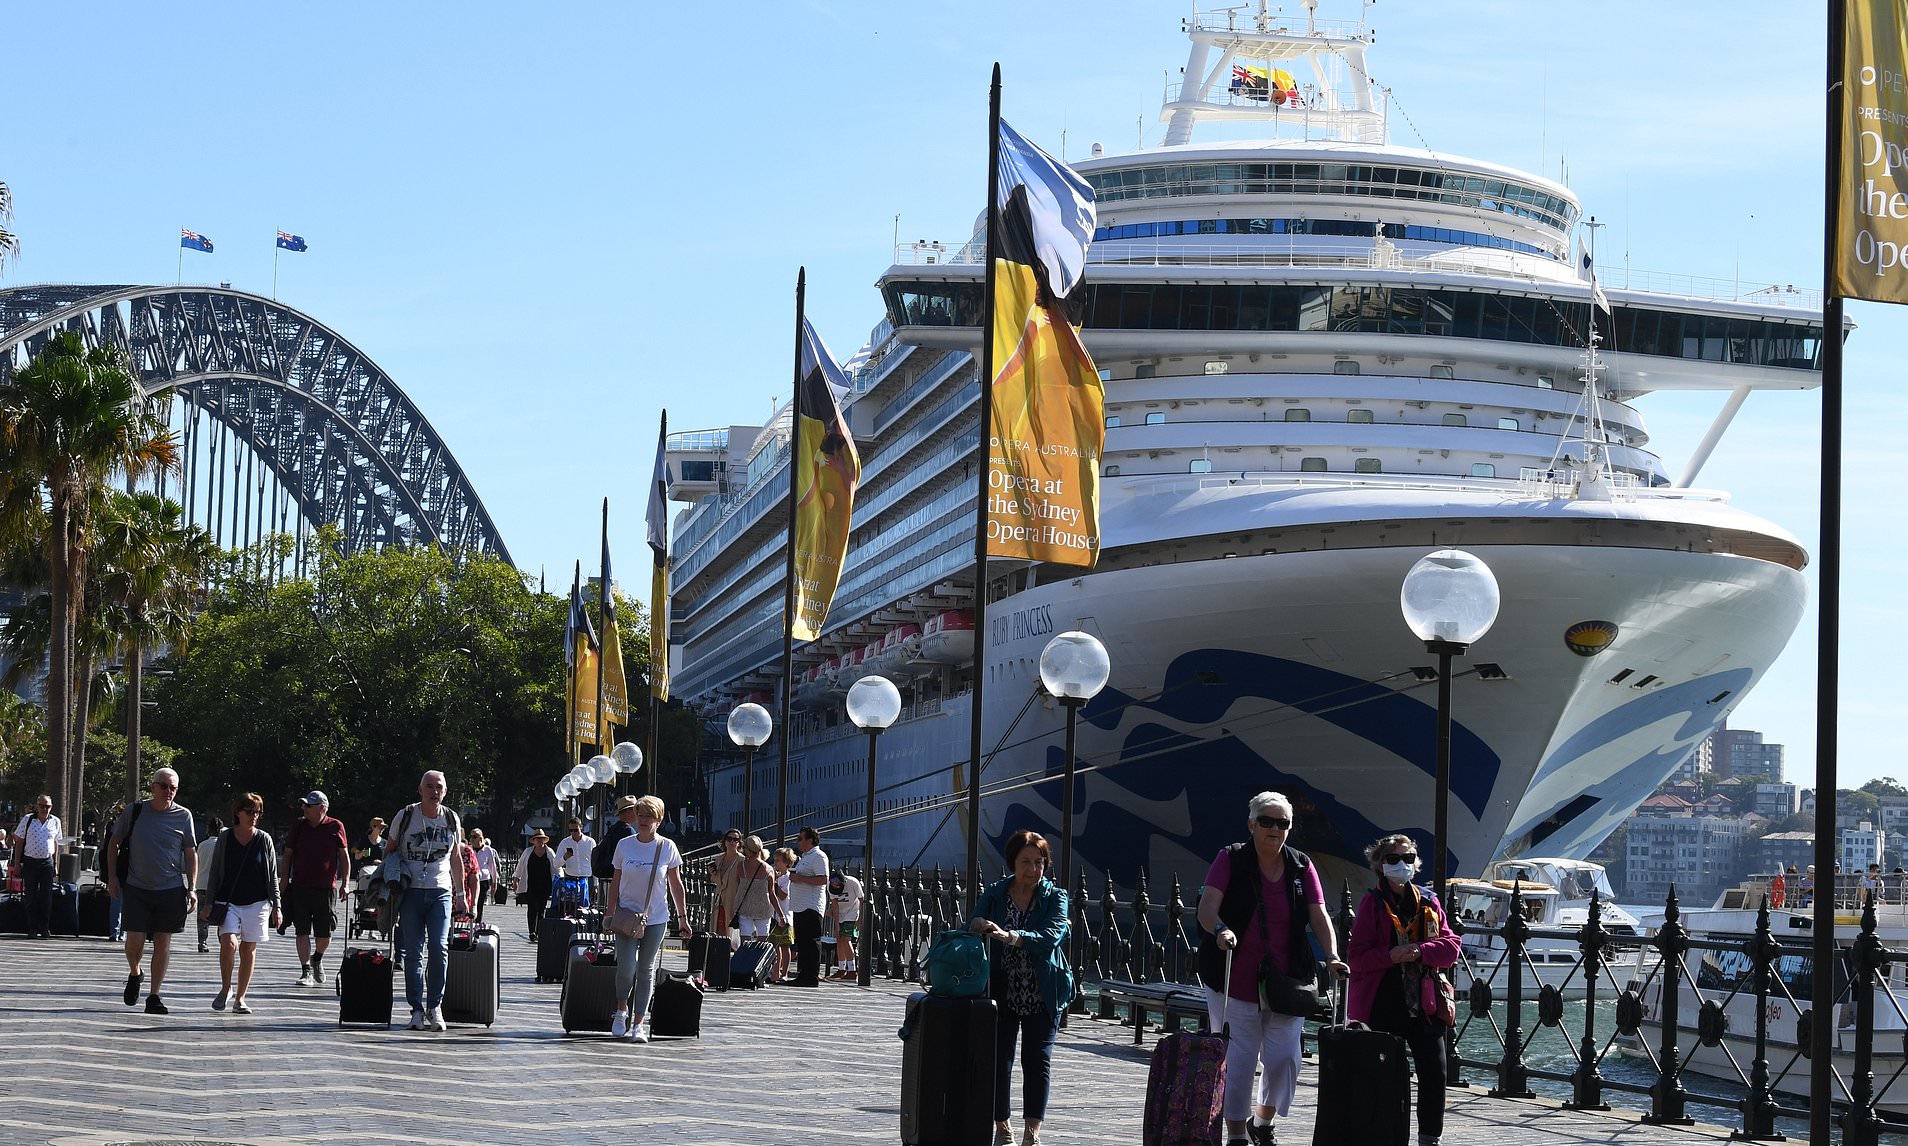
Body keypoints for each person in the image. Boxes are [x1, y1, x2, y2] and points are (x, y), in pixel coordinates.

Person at [1196, 791, 1348, 1146]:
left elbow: (1318, 913)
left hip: (1287, 980)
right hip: (1234, 977)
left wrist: (1332, 955)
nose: (1274, 828)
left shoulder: (1300, 865)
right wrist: (1221, 930)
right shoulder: (1230, 858)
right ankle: (1235, 1134)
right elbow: (1207, 907)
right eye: (1267, 821)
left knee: (1284, 1059)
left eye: (1282, 823)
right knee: (1240, 1059)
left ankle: (1261, 1121)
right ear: (1251, 824)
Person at [1346, 834, 1462, 1146]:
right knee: (1385, 1078)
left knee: (1435, 1071)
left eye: (1408, 858)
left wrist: (1419, 951)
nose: (1402, 864)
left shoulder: (1429, 900)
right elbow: (1356, 959)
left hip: (1425, 1001)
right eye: (1394, 859)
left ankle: (1429, 1139)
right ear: (1381, 865)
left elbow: (1451, 946)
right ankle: (1386, 1136)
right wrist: (1390, 956)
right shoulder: (1372, 903)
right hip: (1383, 1000)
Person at [968, 830, 1072, 1146]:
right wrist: (980, 925)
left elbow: (1052, 935)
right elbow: (972, 922)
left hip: (1044, 990)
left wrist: (1013, 937)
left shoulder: (1056, 897)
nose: (1033, 869)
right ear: (1012, 862)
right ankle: (1003, 1127)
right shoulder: (997, 893)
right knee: (1001, 1060)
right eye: (1025, 861)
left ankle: (1032, 1133)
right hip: (1002, 989)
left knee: (1037, 1060)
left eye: (1039, 862)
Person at [105, 768, 200, 1015]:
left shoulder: (184, 815)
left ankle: (154, 995)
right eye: (164, 786)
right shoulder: (135, 811)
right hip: (136, 887)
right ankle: (135, 972)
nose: (168, 792)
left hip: (169, 889)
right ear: (153, 787)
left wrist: (192, 889)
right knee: (133, 941)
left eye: (173, 788)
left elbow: (190, 853)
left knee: (163, 943)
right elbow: (114, 842)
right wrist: (112, 877)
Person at [384, 770, 470, 1031]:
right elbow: (389, 851)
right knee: (412, 953)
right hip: (410, 891)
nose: (434, 791)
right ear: (420, 790)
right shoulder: (406, 815)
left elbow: (456, 858)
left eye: (439, 787)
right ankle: (416, 1010)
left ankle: (435, 1006)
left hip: (440, 891)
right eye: (429, 787)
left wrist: (461, 895)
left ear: (445, 791)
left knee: (439, 947)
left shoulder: (451, 818)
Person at [606, 795, 689, 1042]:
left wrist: (682, 918)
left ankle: (639, 1023)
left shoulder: (667, 847)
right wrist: (609, 914)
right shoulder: (624, 845)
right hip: (626, 915)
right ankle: (621, 1011)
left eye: (649, 816)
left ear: (659, 820)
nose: (643, 820)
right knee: (626, 967)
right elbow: (615, 882)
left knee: (645, 969)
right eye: (640, 815)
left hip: (656, 916)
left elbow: (676, 885)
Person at [205, 793, 284, 1015]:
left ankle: (240, 998)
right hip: (228, 901)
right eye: (249, 811)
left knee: (248, 949)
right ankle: (225, 988)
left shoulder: (264, 839)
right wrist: (208, 902)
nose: (254, 816)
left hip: (257, 903)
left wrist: (277, 906)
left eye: (257, 812)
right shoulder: (225, 838)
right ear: (237, 813)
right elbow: (214, 873)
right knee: (229, 944)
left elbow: (272, 876)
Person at [281, 790, 350, 987]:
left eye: (308, 806)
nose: (304, 808)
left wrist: (345, 883)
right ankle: (305, 971)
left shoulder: (336, 826)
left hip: (326, 888)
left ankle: (317, 957)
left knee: (325, 934)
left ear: (322, 808)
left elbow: (344, 857)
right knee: (301, 930)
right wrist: (284, 880)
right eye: (304, 805)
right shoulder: (299, 825)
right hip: (300, 887)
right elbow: (287, 854)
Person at [10, 794, 62, 939]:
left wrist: (55, 864)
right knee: (30, 896)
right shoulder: (28, 820)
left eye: (48, 806)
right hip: (30, 862)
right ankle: (32, 928)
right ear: (37, 806)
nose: (45, 809)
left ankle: (44, 927)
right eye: (42, 806)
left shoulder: (55, 822)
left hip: (47, 863)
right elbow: (19, 842)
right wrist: (17, 864)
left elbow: (56, 844)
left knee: (46, 897)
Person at [787, 827, 830, 987]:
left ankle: (811, 976)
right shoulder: (805, 857)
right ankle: (803, 974)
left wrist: (800, 878)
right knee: (803, 942)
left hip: (810, 905)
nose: (798, 842)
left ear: (809, 840)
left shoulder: (818, 856)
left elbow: (823, 879)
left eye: (800, 838)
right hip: (800, 906)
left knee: (811, 942)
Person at [720, 835, 778, 941]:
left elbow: (738, 886)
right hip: (763, 908)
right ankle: (760, 958)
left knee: (745, 941)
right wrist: (781, 915)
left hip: (744, 908)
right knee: (763, 942)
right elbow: (772, 893)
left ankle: (745, 957)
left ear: (748, 850)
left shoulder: (741, 866)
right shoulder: (769, 869)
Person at [514, 828, 556, 941]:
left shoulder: (549, 852)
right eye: (538, 839)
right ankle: (531, 931)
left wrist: (559, 880)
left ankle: (539, 931)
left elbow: (556, 866)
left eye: (542, 839)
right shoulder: (528, 852)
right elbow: (520, 866)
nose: (540, 841)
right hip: (531, 885)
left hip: (545, 885)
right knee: (532, 908)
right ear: (534, 840)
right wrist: (516, 878)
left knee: (541, 909)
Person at [193, 819, 224, 953]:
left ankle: (202, 942)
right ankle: (223, 941)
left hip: (202, 883)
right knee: (221, 915)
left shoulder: (202, 845)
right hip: (219, 885)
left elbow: (197, 863)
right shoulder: (223, 845)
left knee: (202, 916)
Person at [705, 829, 744, 933]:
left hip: (733, 900)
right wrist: (713, 873)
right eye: (729, 839)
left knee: (731, 932)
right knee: (718, 929)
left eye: (735, 839)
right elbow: (715, 880)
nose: (732, 842)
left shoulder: (742, 860)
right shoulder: (719, 859)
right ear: (724, 841)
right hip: (719, 900)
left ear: (739, 843)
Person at [828, 869, 865, 980]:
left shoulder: (853, 882)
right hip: (840, 913)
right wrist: (837, 925)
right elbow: (834, 904)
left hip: (852, 912)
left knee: (846, 939)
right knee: (839, 938)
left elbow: (861, 899)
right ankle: (841, 968)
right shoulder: (829, 886)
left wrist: (860, 920)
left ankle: (852, 970)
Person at [771, 847, 796, 982]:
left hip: (785, 915)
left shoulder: (787, 878)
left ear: (786, 863)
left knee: (784, 946)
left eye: (778, 861)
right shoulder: (776, 876)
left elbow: (782, 895)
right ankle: (775, 971)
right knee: (775, 946)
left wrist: (774, 883)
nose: (775, 863)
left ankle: (784, 972)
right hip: (773, 916)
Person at [469, 830, 499, 922]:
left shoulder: (487, 850)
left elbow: (492, 866)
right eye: (471, 837)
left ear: (480, 838)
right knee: (471, 902)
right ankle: (469, 922)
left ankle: (477, 923)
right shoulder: (469, 849)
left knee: (480, 903)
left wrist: (494, 881)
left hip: (483, 880)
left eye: (474, 837)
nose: (472, 839)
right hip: (471, 880)